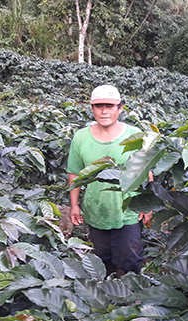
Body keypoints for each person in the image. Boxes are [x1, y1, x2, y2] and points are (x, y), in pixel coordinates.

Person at [67, 85, 152, 276]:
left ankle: (131, 297)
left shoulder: (135, 135)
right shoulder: (81, 138)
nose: (104, 111)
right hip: (97, 209)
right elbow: (75, 173)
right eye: (98, 106)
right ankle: (107, 294)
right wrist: (74, 204)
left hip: (128, 211)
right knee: (102, 258)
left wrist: (147, 204)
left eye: (110, 106)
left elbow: (146, 171)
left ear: (120, 108)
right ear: (92, 109)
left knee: (130, 258)